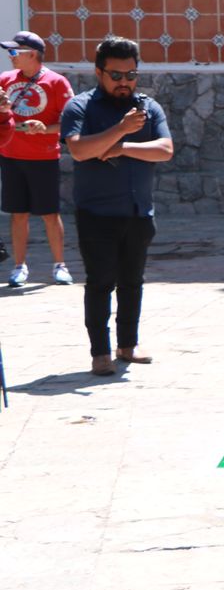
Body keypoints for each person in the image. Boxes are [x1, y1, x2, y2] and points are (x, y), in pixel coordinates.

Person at [58, 36, 174, 375]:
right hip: (97, 214)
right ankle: (100, 353)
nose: (125, 83)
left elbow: (165, 150)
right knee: (100, 283)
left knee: (132, 282)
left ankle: (128, 345)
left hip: (139, 213)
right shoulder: (80, 107)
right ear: (99, 72)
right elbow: (79, 150)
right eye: (116, 75)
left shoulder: (148, 108)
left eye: (131, 75)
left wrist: (121, 146)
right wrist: (121, 129)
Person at [1, 31, 74, 287]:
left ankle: (59, 265)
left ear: (32, 54)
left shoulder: (57, 83)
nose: (10, 57)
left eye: (14, 52)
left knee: (49, 213)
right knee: (17, 213)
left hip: (43, 157)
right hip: (11, 156)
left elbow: (71, 121)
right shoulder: (4, 80)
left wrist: (45, 128)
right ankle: (19, 267)